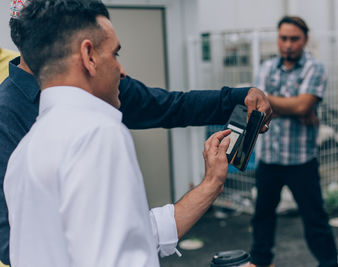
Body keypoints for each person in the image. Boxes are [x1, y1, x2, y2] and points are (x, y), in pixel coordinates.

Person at [0, 1, 272, 265]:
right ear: (89, 56)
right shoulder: (97, 133)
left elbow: (168, 106)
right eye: (115, 54)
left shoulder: (28, 149)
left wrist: (212, 181)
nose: (122, 70)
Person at [249, 16, 338, 267]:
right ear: (278, 39)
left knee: (315, 220)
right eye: (283, 38)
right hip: (269, 158)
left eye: (294, 39)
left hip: (300, 160)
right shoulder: (266, 67)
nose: (288, 44)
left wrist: (272, 100)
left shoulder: (315, 67)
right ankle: (261, 262)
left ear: (305, 40)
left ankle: (330, 263)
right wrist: (297, 106)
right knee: (262, 217)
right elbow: (261, 107)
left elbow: (302, 105)